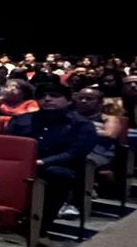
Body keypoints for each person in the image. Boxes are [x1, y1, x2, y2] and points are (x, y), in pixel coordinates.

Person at [8, 83, 97, 223]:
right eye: (42, 96)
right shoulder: (21, 120)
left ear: (68, 100)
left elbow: (75, 153)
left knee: (55, 173)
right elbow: (9, 144)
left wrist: (42, 162)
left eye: (55, 96)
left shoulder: (81, 124)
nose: (47, 99)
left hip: (63, 167)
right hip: (23, 164)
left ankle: (41, 226)